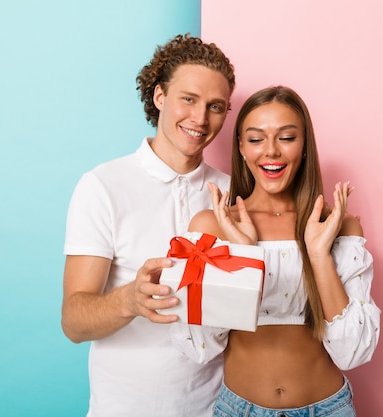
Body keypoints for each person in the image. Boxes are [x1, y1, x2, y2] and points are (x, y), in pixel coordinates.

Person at [170, 86, 381, 416]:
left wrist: (318, 255)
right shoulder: (212, 225)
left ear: (305, 145)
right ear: (241, 147)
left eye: (286, 137)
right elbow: (199, 345)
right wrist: (241, 254)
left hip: (329, 408)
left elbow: (351, 353)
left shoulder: (337, 226)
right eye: (255, 139)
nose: (271, 152)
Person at [61, 33, 235, 417]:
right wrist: (130, 300)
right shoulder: (103, 186)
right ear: (160, 97)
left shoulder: (233, 194)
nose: (200, 119)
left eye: (216, 106)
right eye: (188, 99)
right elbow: (73, 321)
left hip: (216, 409)